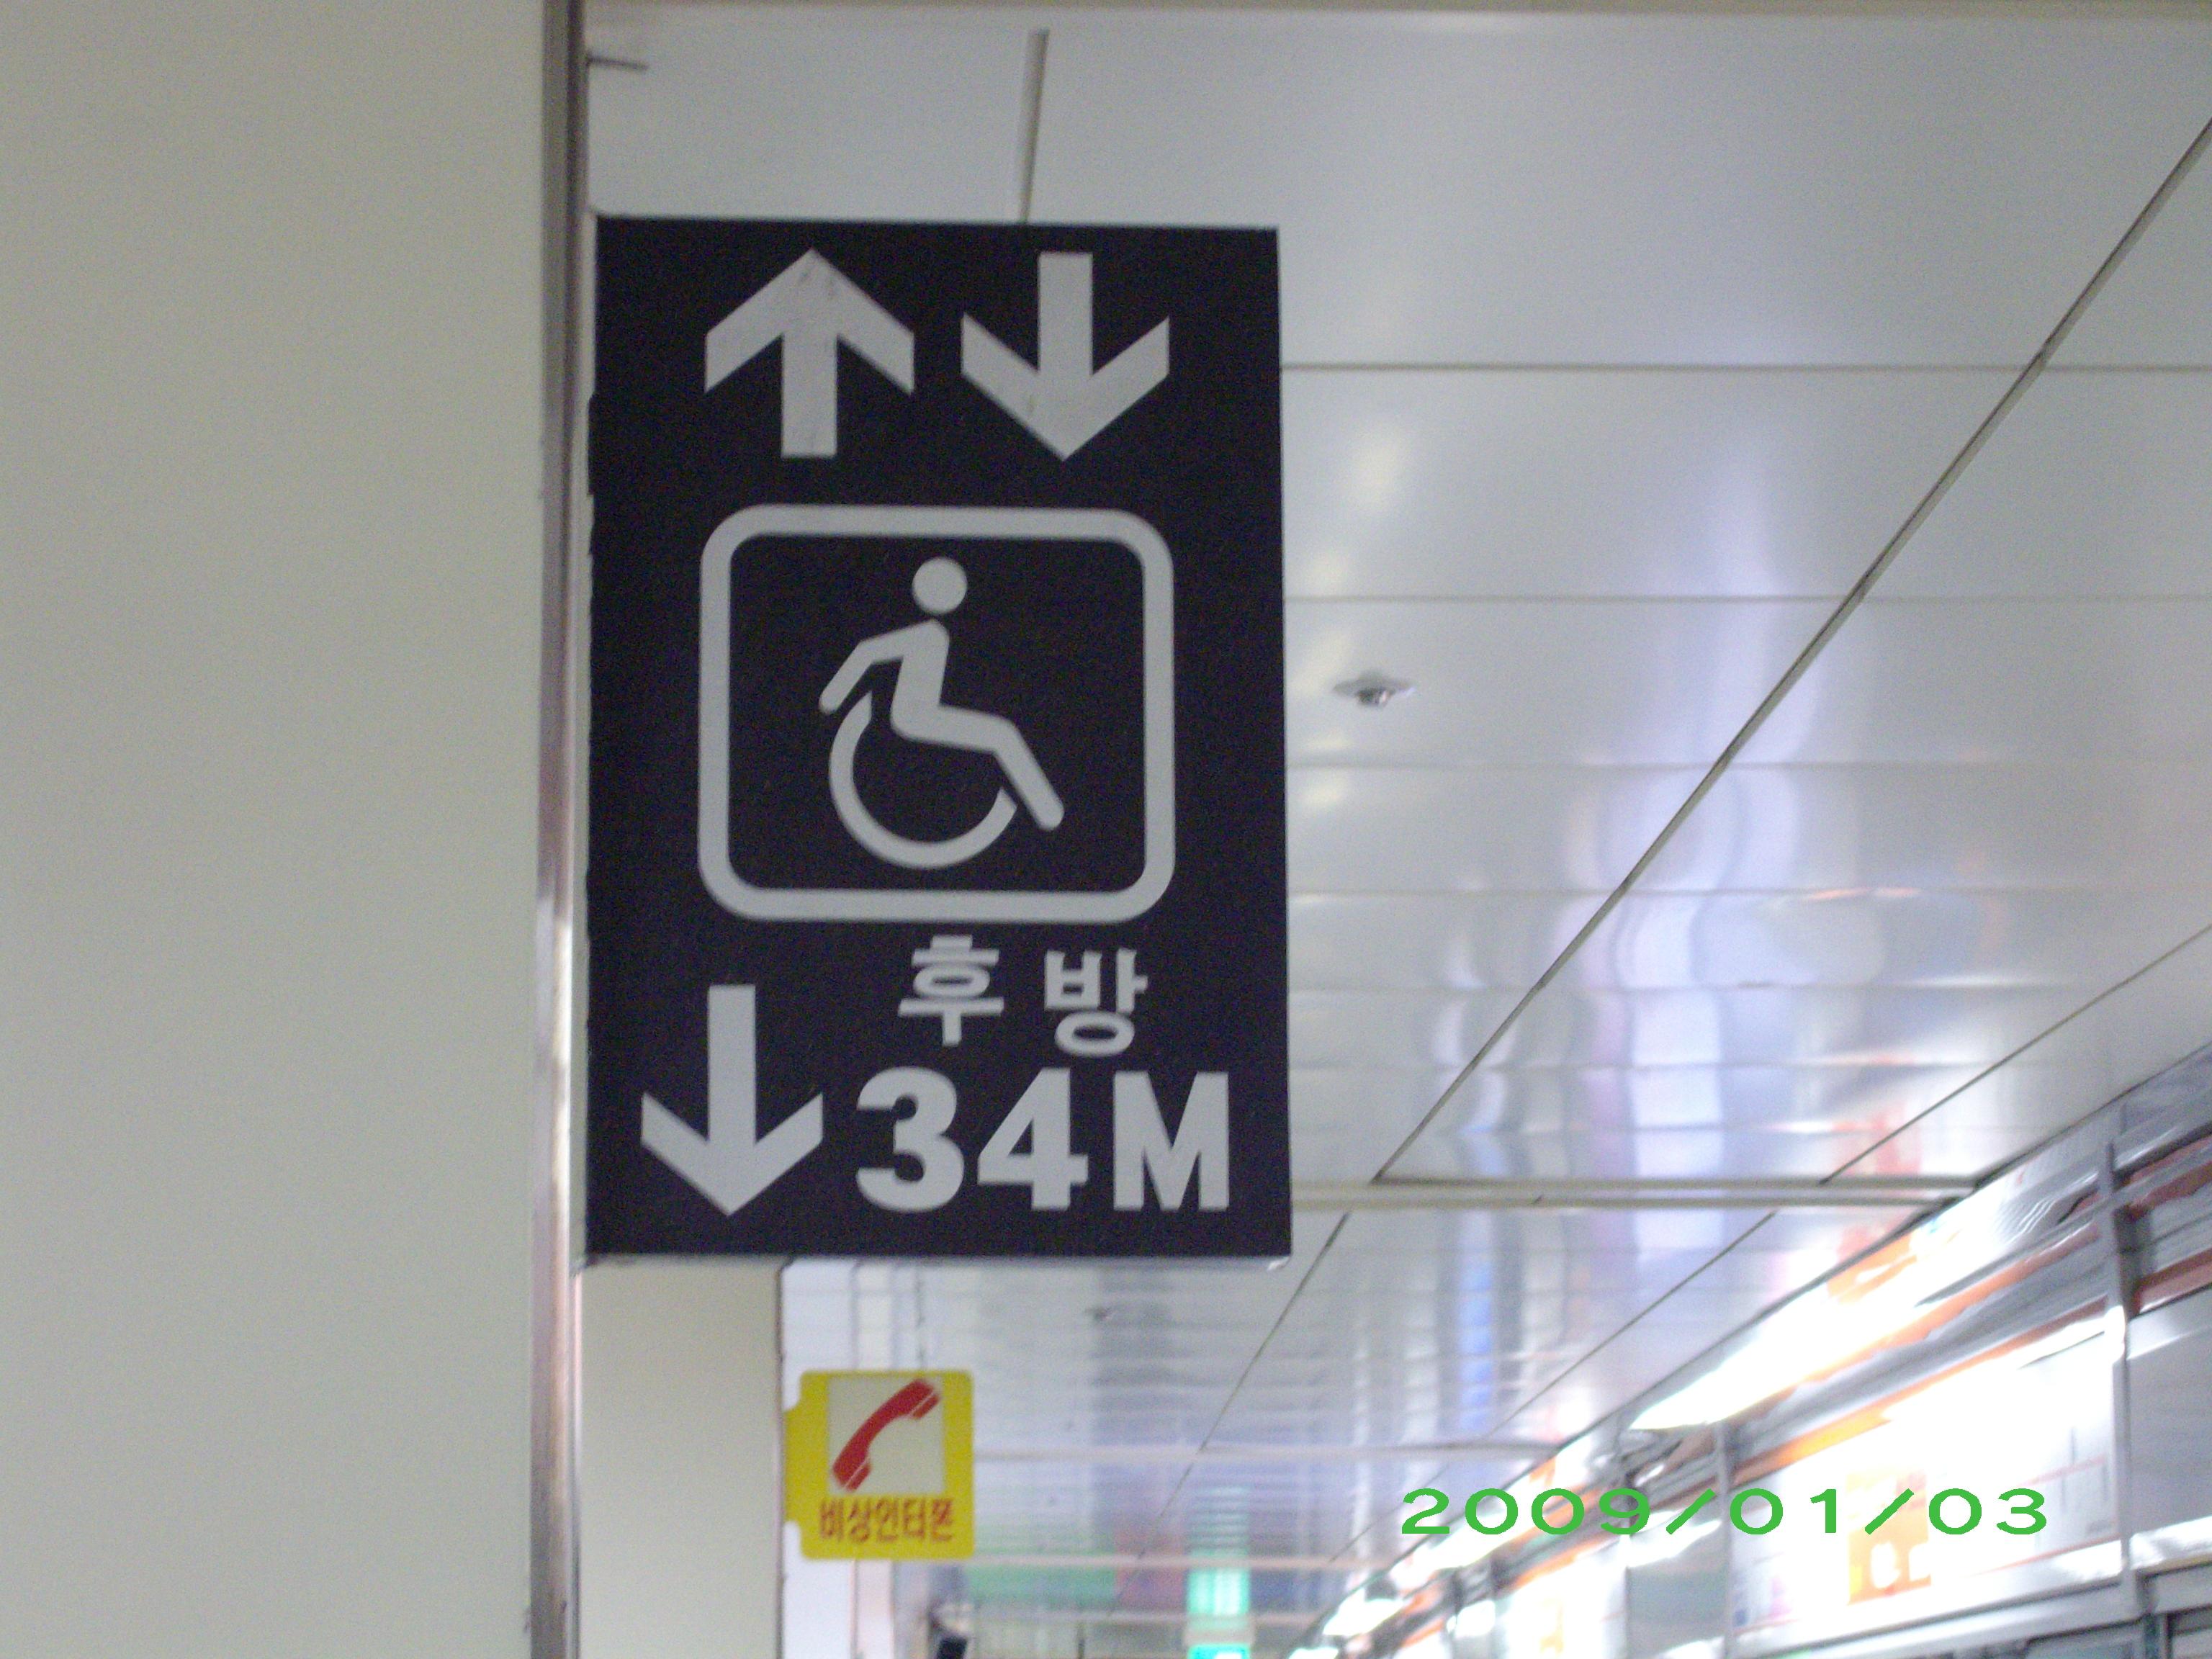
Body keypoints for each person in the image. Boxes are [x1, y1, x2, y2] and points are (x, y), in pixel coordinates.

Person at [819, 557, 1064, 830]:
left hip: (923, 714)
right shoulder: (926, 634)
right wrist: (832, 699)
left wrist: (833, 699)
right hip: (916, 717)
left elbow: (868, 652)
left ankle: (1048, 812)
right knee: (1002, 734)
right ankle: (1047, 811)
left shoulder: (933, 633)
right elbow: (868, 652)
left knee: (1002, 734)